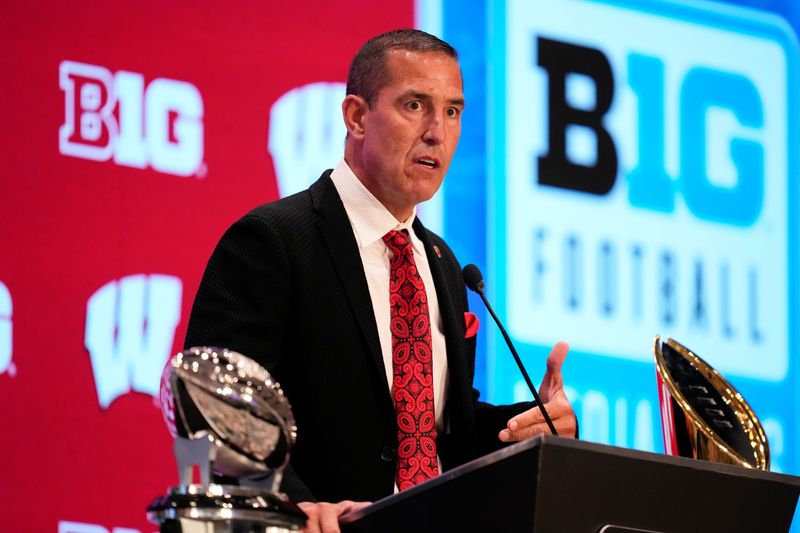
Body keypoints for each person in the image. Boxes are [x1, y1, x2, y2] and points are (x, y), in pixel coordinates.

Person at [185, 29, 577, 533]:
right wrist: (291, 507)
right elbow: (212, 410)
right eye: (415, 105)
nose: (437, 132)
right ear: (356, 117)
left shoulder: (442, 264)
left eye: (452, 111)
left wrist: (528, 426)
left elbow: (433, 433)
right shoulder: (272, 241)